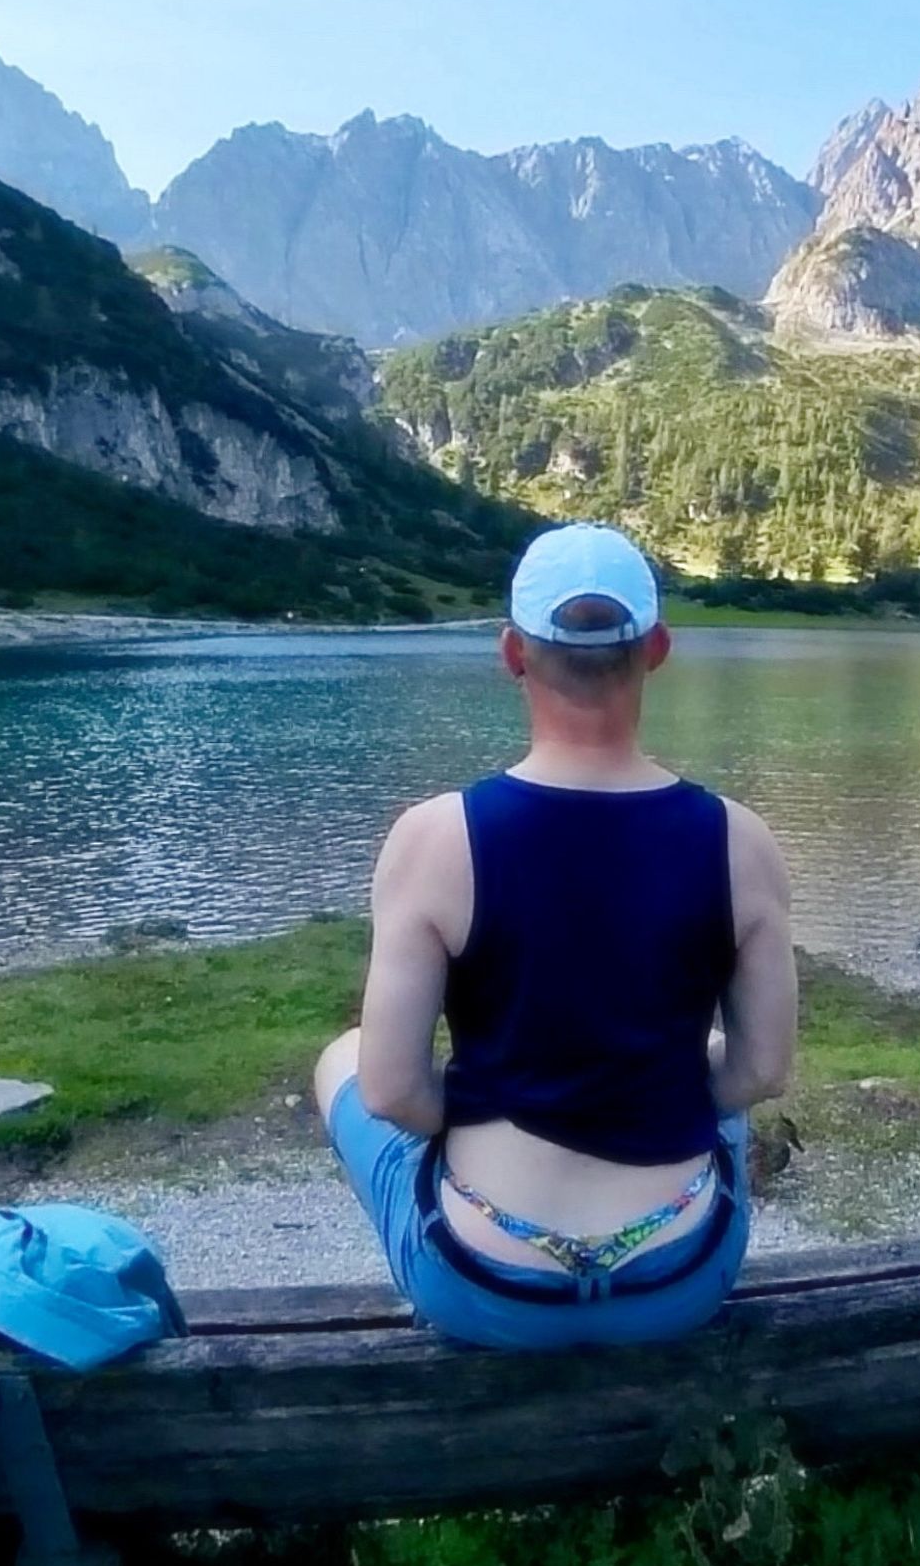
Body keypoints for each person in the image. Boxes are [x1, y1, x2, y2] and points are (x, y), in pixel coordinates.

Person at [313, 522, 796, 1349]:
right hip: (679, 1280)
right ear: (657, 649)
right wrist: (631, 1097)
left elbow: (393, 1093)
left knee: (343, 1061)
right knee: (715, 1065)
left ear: (511, 652)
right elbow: (763, 1069)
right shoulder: (738, 839)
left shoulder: (436, 837)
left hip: (484, 1286)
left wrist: (499, 1106)